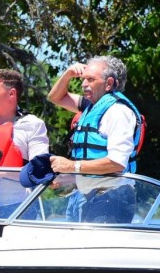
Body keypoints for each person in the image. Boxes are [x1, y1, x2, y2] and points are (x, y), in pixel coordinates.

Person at [46, 56, 143, 223]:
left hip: (111, 198)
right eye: (83, 79)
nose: (83, 84)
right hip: (88, 195)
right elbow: (55, 97)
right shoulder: (90, 106)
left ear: (108, 83)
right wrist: (68, 74)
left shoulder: (118, 112)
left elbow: (117, 163)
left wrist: (71, 166)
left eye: (90, 79)